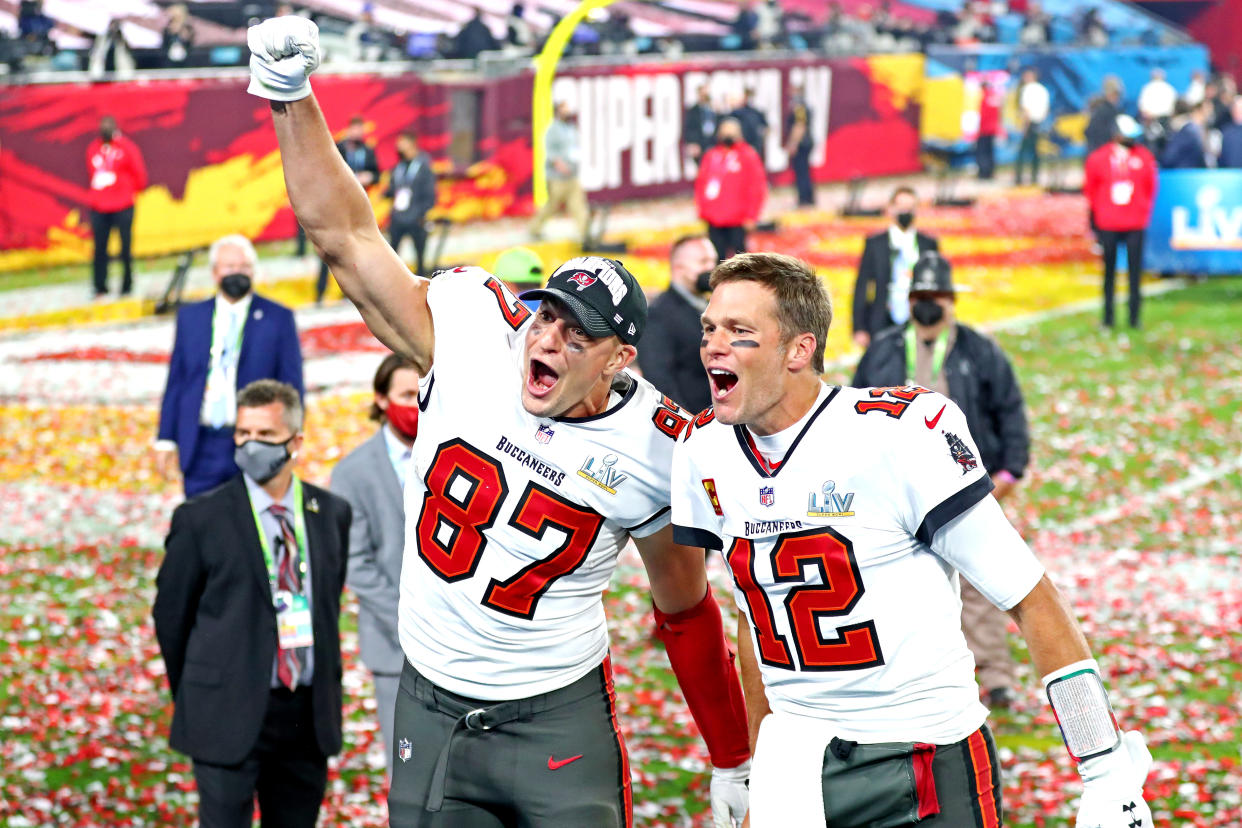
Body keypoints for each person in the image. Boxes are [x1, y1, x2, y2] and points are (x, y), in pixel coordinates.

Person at [246, 17, 751, 828]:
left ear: (619, 359)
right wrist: (291, 98)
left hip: (558, 715)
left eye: (575, 334)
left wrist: (732, 755)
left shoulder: (656, 446)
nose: (546, 339)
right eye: (546, 316)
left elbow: (685, 607)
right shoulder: (475, 330)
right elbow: (344, 236)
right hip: (430, 700)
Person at [671, 251, 1154, 827]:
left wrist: (1103, 768)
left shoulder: (897, 436)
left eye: (739, 331)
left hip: (923, 749)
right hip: (796, 753)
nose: (713, 346)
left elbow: (1029, 595)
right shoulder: (705, 449)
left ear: (799, 349)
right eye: (709, 328)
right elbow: (754, 622)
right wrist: (752, 764)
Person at [153, 379, 352, 828]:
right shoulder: (201, 519)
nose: (250, 445)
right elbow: (171, 616)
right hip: (226, 711)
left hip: (305, 718)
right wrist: (200, 688)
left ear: (295, 441)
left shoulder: (331, 513)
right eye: (243, 434)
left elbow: (326, 605)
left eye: (264, 436)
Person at [852, 251, 1030, 708]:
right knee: (893, 580)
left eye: (936, 297)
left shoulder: (980, 350)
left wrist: (1009, 471)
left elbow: (1009, 410)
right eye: (921, 297)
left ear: (951, 301)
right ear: (909, 300)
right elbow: (851, 408)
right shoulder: (885, 349)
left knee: (978, 581)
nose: (928, 305)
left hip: (964, 487)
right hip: (892, 489)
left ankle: (995, 676)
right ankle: (897, 672)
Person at [156, 234, 305, 496]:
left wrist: (292, 436)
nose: (238, 273)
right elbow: (178, 380)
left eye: (245, 267)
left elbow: (291, 385)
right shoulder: (191, 317)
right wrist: (166, 439)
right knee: (201, 525)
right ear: (215, 272)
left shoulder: (277, 318)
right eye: (230, 267)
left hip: (256, 442)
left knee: (252, 526)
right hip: (200, 443)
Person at [330, 354, 420, 781]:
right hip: (393, 646)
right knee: (406, 772)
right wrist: (411, 618)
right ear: (382, 400)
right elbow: (356, 562)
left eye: (422, 393)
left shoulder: (455, 452)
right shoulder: (352, 472)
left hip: (466, 644)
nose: (416, 403)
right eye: (406, 395)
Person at [1084, 115, 1157, 330]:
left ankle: (1135, 318)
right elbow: (1091, 189)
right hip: (1109, 222)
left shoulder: (1143, 157)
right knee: (1109, 273)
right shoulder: (1099, 158)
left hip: (1134, 222)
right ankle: (1108, 318)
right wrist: (1098, 217)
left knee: (1135, 274)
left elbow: (1150, 187)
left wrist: (1142, 211)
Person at [636, 235, 719, 413]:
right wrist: (690, 427)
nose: (711, 268)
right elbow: (659, 382)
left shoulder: (711, 306)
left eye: (713, 261)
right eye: (703, 261)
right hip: (695, 423)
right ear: (678, 267)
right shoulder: (658, 315)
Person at [851, 186, 939, 349]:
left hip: (919, 322)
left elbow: (938, 286)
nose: (905, 212)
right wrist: (859, 327)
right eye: (901, 207)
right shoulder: (875, 244)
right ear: (891, 209)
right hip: (881, 321)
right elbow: (862, 285)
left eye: (910, 208)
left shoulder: (928, 244)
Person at [318, 116, 380, 303]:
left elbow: (377, 173)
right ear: (349, 130)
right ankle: (320, 292)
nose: (357, 133)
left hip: (358, 207)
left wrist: (369, 177)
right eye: (355, 129)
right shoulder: (338, 148)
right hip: (337, 206)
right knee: (328, 250)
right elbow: (327, 171)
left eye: (360, 130)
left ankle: (351, 294)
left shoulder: (367, 151)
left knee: (354, 251)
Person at [86, 115, 146, 299]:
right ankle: (100, 287)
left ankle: (127, 285)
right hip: (99, 207)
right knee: (99, 249)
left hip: (123, 205)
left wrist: (122, 188)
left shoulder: (127, 148)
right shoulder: (93, 148)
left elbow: (140, 176)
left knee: (125, 248)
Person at [695, 117, 767, 261]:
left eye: (732, 132)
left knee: (740, 261)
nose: (728, 136)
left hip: (738, 219)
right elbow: (701, 183)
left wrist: (752, 215)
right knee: (716, 258)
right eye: (725, 132)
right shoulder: (712, 155)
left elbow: (757, 187)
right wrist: (703, 210)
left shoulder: (748, 155)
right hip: (714, 218)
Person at [531, 100, 590, 245]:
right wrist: (559, 164)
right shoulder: (553, 130)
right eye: (564, 108)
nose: (568, 111)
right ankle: (535, 228)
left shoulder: (571, 128)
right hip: (557, 177)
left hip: (572, 175)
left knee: (578, 205)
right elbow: (550, 151)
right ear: (558, 111)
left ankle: (585, 233)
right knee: (552, 204)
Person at [386, 131, 437, 277]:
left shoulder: (424, 167)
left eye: (402, 142)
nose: (398, 146)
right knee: (392, 256)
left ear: (411, 144)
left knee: (420, 259)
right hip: (398, 218)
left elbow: (430, 196)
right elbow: (393, 189)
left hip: (416, 219)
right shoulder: (399, 166)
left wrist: (419, 214)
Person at [1015, 67, 1050, 186]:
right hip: (1039, 123)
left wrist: (1025, 126)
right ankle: (1035, 178)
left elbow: (1026, 110)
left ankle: (1019, 179)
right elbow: (1046, 109)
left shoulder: (1027, 89)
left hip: (1029, 123)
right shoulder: (1043, 89)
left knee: (1022, 153)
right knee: (1036, 152)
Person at [785, 85, 815, 206]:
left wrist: (793, 143)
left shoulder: (799, 106)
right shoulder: (804, 105)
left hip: (802, 143)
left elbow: (799, 125)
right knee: (805, 171)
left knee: (801, 172)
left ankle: (804, 199)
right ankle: (809, 198)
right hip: (806, 142)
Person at [1161, 100, 1210, 169]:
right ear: (1197, 111)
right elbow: (1169, 158)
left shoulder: (1193, 131)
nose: (1207, 117)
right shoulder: (1189, 132)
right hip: (1182, 174)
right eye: (1205, 113)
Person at [1084, 77, 1123, 156]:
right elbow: (1093, 132)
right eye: (1117, 94)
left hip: (1097, 151)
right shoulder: (1106, 110)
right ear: (1112, 94)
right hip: (1101, 153)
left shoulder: (1101, 108)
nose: (1118, 98)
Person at [975, 74, 1004, 181]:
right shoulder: (993, 97)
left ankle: (983, 173)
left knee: (982, 152)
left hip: (984, 129)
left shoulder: (984, 97)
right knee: (990, 151)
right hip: (992, 129)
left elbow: (982, 115)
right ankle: (990, 172)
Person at [684, 85, 720, 166]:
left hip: (714, 144)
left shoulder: (714, 109)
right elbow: (689, 128)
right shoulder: (692, 111)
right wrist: (693, 142)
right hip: (700, 145)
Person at [731, 88, 769, 162]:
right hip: (741, 144)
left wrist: (761, 139)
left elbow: (766, 128)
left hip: (755, 144)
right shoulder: (737, 112)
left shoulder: (757, 113)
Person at [1218, 96, 1242, 168]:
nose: (1238, 112)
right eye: (1236, 109)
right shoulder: (1226, 131)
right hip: (1230, 173)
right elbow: (1222, 157)